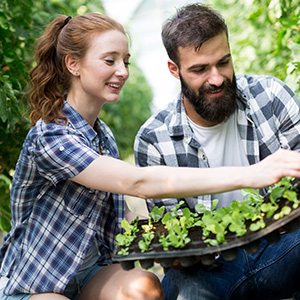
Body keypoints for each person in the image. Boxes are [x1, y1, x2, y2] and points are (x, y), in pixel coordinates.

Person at [0, 11, 300, 300]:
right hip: (36, 281)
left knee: (144, 288)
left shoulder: (101, 136)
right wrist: (253, 174)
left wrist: (166, 237)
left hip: (91, 273)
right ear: (73, 65)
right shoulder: (50, 136)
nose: (123, 71)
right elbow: (137, 182)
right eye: (110, 60)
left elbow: (121, 215)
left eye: (125, 61)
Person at [134, 3, 300, 300]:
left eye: (223, 62)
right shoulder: (153, 141)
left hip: (283, 248)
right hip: (210, 271)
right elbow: (174, 232)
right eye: (199, 69)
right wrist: (177, 252)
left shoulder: (272, 98)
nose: (217, 78)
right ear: (175, 70)